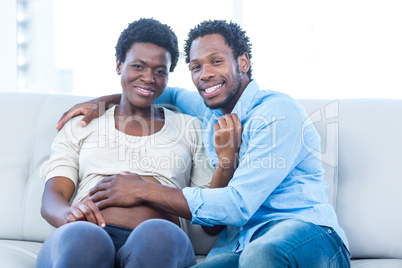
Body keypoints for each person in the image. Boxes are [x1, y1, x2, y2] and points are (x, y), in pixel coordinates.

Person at [58, 20, 351, 267]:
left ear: (243, 62)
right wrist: (105, 101)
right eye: (196, 67)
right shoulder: (208, 110)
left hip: (308, 236)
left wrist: (142, 189)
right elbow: (161, 90)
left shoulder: (276, 112)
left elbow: (237, 205)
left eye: (216, 61)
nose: (205, 74)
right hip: (243, 246)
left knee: (262, 254)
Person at [38, 18, 241, 268]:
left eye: (159, 71)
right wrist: (69, 215)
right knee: (85, 238)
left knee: (158, 235)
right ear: (119, 65)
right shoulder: (83, 124)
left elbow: (212, 224)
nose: (148, 78)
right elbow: (53, 197)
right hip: (84, 235)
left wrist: (226, 161)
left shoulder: (190, 128)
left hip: (159, 242)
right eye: (138, 66)